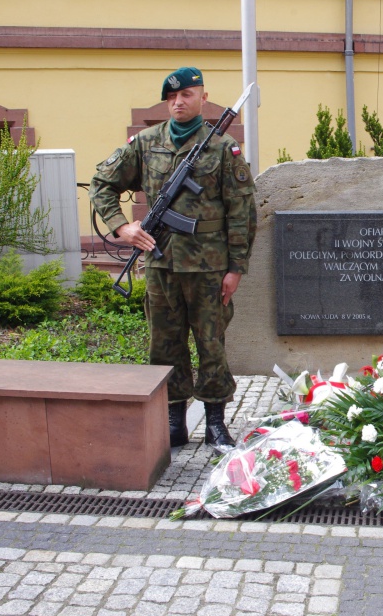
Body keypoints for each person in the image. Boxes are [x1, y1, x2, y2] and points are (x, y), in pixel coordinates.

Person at [89, 67, 257, 449]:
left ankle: (215, 423)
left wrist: (236, 269)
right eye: (171, 97)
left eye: (186, 95)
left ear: (203, 98)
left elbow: (242, 213)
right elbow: (101, 184)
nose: (178, 102)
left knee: (211, 343)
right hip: (160, 262)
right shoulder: (145, 143)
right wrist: (122, 227)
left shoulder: (222, 148)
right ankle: (174, 422)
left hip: (209, 267)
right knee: (164, 344)